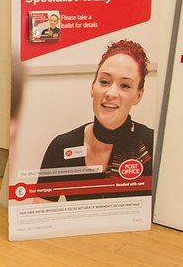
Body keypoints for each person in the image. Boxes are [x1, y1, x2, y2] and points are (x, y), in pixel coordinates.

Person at [37, 39, 153, 200]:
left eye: (125, 85)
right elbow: (42, 214)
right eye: (104, 82)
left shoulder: (153, 145)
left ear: (138, 96)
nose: (111, 93)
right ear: (93, 87)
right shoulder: (62, 146)